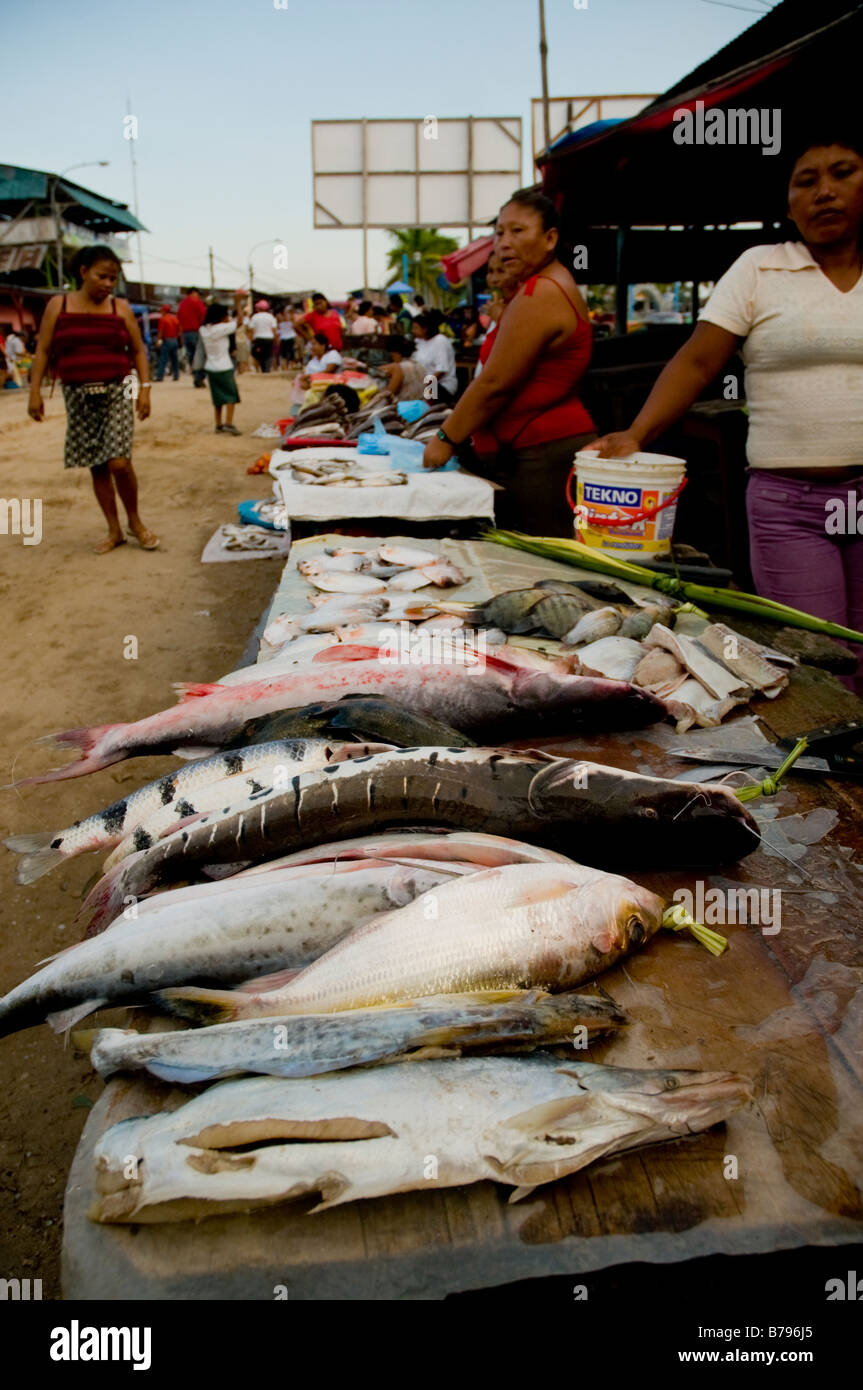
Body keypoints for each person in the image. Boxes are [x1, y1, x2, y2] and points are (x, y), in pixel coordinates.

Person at [585, 124, 863, 679]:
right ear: (787, 201)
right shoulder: (760, 267)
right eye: (805, 181)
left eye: (843, 174)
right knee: (818, 661)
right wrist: (636, 434)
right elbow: (697, 361)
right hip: (791, 505)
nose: (824, 191)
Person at [422, 189, 595, 537]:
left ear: (550, 239)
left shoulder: (542, 293)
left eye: (518, 231)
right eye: (500, 232)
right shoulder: (536, 289)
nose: (503, 243)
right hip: (529, 451)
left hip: (542, 456)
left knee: (544, 565)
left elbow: (495, 384)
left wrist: (446, 437)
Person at [27, 243, 158, 553]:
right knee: (97, 464)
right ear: (83, 272)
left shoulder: (120, 308)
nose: (108, 284)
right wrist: (34, 393)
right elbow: (43, 350)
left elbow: (138, 351)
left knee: (119, 462)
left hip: (119, 388)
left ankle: (135, 521)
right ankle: (115, 530)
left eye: (113, 279)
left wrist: (145, 390)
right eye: (102, 276)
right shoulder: (58, 306)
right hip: (77, 394)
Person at [199, 293, 245, 433]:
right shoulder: (221, 329)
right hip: (224, 366)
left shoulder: (203, 330)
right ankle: (228, 423)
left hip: (211, 367)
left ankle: (218, 424)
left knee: (217, 398)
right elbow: (240, 322)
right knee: (231, 396)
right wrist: (238, 303)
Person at [411, 312, 458, 403]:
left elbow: (441, 371)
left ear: (425, 329)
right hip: (422, 384)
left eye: (415, 328)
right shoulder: (419, 341)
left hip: (441, 385)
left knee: (424, 402)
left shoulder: (440, 341)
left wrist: (425, 387)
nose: (413, 331)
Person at [177, 287, 207, 387]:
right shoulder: (196, 302)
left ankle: (195, 376)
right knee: (200, 355)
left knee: (191, 356)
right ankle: (199, 378)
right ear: (193, 293)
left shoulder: (182, 304)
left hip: (186, 333)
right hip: (196, 331)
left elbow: (179, 319)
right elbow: (203, 316)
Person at [247, 298, 277, 373]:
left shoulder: (255, 317)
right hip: (269, 338)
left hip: (258, 338)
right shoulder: (271, 317)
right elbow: (274, 329)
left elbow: (251, 329)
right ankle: (266, 370)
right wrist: (275, 339)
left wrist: (251, 339)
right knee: (268, 356)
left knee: (258, 355)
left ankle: (260, 370)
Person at [155, 303, 181, 381]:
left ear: (163, 311)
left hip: (167, 340)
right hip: (174, 340)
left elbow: (160, 332)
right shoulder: (175, 318)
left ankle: (160, 376)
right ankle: (176, 375)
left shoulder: (163, 319)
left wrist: (157, 341)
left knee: (163, 359)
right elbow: (179, 331)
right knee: (175, 359)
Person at [277, 304, 298, 371]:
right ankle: (288, 366)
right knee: (289, 353)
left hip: (285, 338)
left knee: (286, 354)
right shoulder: (290, 320)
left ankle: (286, 366)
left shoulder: (281, 321)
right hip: (289, 337)